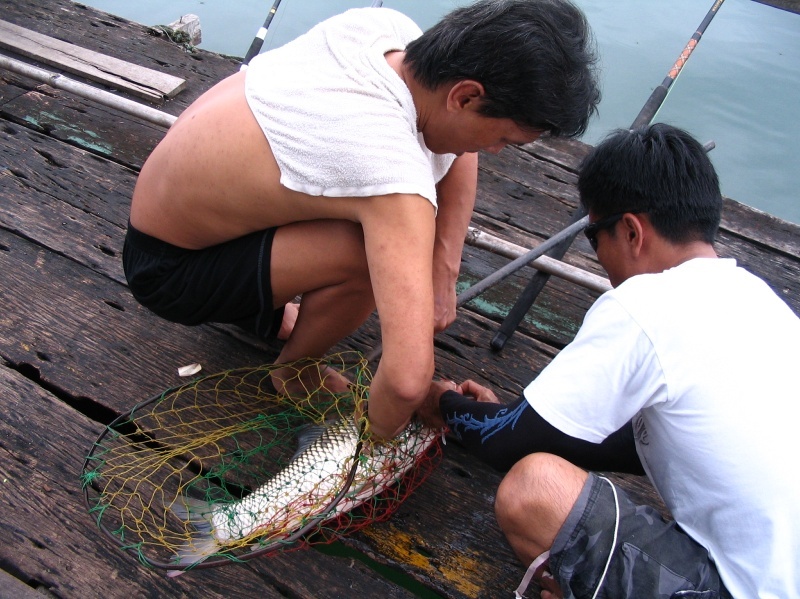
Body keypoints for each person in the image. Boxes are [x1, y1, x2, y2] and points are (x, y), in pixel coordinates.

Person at [122, 0, 600, 440]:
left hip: (197, 221)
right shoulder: (390, 172)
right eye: (505, 140)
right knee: (374, 252)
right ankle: (294, 372)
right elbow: (409, 382)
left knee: (403, 236)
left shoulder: (389, 33)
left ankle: (265, 306)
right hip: (171, 271)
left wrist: (443, 269)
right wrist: (371, 445)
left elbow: (461, 154)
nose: (493, 151)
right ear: (466, 96)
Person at [421, 124, 800, 598]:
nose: (597, 254)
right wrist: (514, 419)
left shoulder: (646, 305)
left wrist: (443, 405)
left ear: (630, 230)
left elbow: (505, 448)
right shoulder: (760, 299)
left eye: (594, 236)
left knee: (533, 490)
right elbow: (638, 446)